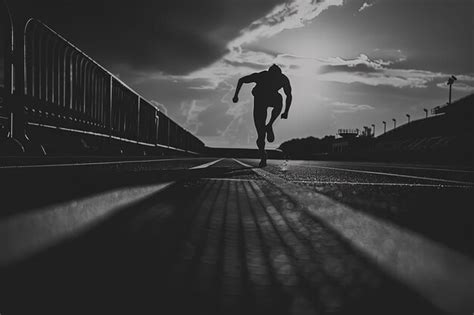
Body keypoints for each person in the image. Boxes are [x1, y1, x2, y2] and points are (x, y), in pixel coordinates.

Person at [232, 64, 292, 167]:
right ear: (268, 75)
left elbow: (289, 95)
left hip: (273, 98)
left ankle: (269, 125)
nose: (274, 81)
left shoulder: (283, 79)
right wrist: (236, 95)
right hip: (260, 102)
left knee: (279, 98)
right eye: (272, 78)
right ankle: (263, 155)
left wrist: (286, 111)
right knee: (261, 136)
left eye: (276, 78)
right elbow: (242, 80)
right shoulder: (261, 75)